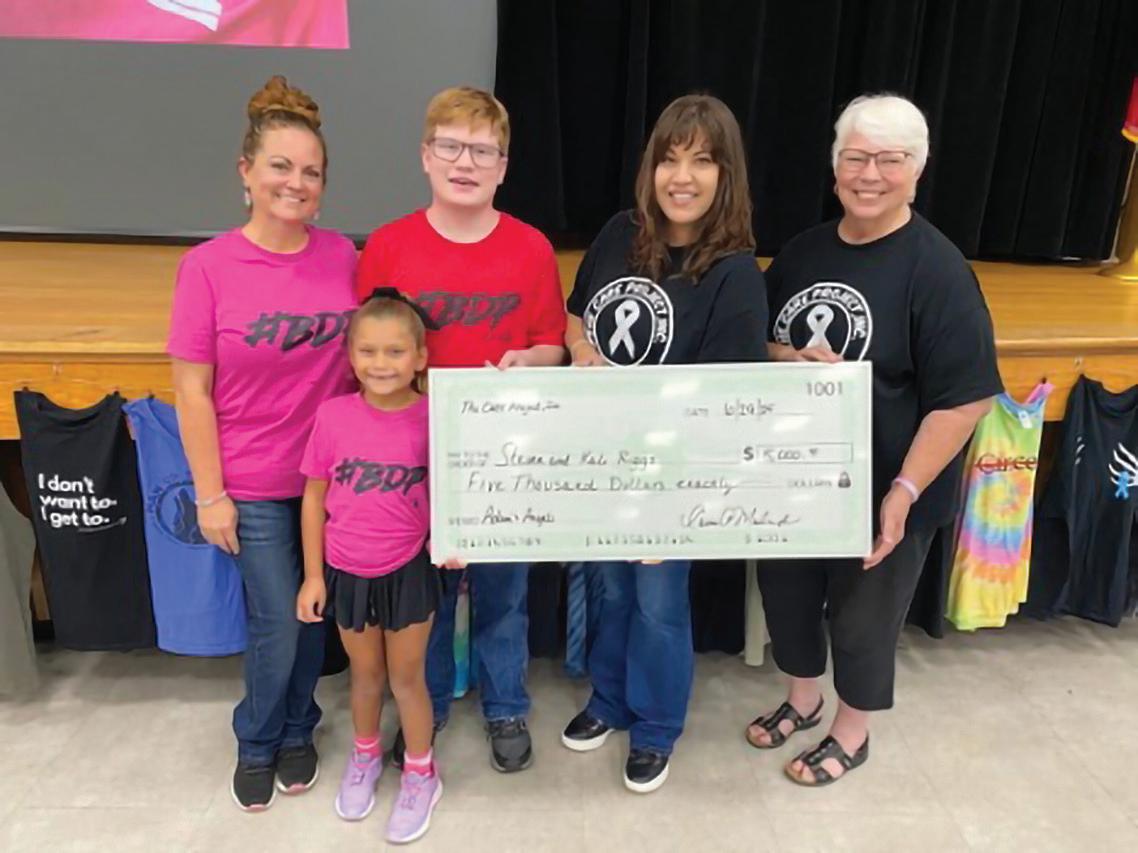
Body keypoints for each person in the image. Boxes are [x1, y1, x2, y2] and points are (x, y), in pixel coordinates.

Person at [746, 94, 1002, 786]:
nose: (869, 174)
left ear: (917, 170)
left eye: (890, 160)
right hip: (796, 482)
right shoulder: (803, 252)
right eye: (856, 158)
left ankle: (851, 731)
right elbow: (756, 341)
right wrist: (785, 356)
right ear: (835, 169)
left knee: (862, 621)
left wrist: (905, 489)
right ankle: (803, 699)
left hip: (887, 490)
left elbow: (967, 396)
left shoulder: (937, 269)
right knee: (788, 600)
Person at [561, 94, 769, 793]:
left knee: (657, 600)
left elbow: (725, 404)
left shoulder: (735, 273)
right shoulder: (619, 233)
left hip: (672, 474)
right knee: (612, 590)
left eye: (702, 161)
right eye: (670, 159)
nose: (682, 177)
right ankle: (610, 700)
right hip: (603, 459)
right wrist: (581, 349)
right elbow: (575, 317)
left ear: (725, 175)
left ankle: (654, 727)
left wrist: (675, 505)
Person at [355, 86, 566, 772]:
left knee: (504, 590)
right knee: (425, 596)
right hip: (411, 453)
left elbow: (552, 344)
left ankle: (506, 704)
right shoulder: (388, 246)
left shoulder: (530, 248)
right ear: (425, 156)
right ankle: (431, 705)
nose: (465, 163)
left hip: (503, 454)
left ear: (503, 166)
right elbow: (366, 347)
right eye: (450, 146)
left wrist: (531, 360)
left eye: (482, 151)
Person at [168, 76, 357, 811]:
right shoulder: (207, 267)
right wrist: (209, 493)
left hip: (330, 479)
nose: (295, 183)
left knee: (312, 613)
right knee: (277, 616)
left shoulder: (344, 256)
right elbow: (192, 391)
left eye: (311, 172)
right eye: (280, 166)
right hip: (251, 482)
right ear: (246, 172)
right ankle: (256, 736)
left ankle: (298, 727)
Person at [297, 291, 455, 844]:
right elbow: (314, 497)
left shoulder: (435, 417)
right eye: (367, 351)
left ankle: (421, 773)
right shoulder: (333, 415)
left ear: (420, 358)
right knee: (365, 677)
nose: (380, 364)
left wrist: (455, 538)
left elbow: (455, 489)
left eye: (395, 351)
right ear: (350, 356)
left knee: (406, 679)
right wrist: (313, 576)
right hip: (346, 568)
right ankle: (364, 756)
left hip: (409, 568)